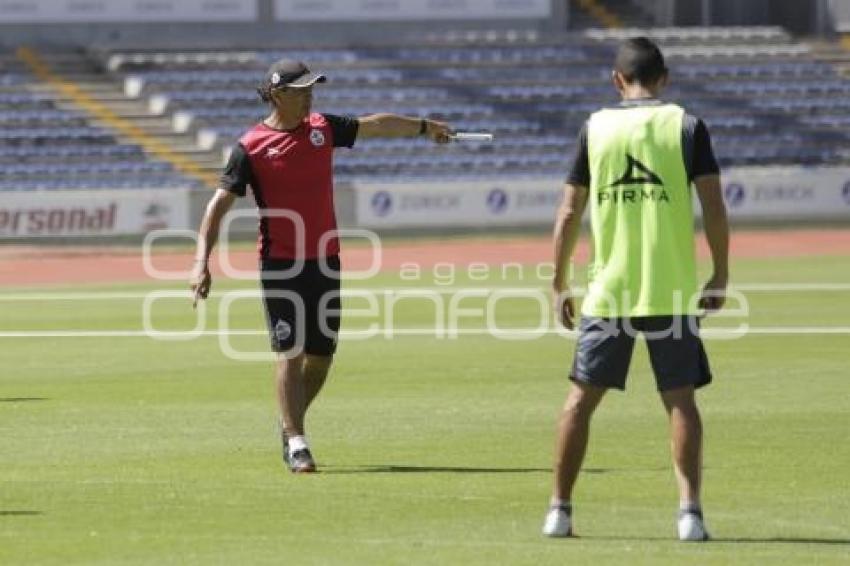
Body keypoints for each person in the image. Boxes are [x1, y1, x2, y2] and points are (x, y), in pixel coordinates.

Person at [190, 59, 452, 473]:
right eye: (302, 89)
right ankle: (297, 442)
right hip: (280, 264)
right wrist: (201, 262)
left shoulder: (322, 128)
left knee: (322, 357)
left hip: (326, 263)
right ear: (277, 93)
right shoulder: (250, 147)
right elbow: (218, 205)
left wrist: (423, 126)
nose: (311, 95)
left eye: (313, 88)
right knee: (289, 354)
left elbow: (376, 125)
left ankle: (288, 421)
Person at [543, 37, 729, 541]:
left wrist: (559, 283)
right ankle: (690, 514)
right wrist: (721, 273)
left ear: (616, 79)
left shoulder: (595, 127)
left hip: (610, 291)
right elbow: (714, 206)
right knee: (681, 401)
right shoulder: (687, 126)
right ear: (665, 78)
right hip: (670, 289)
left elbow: (567, 212)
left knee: (579, 401)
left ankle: (559, 510)